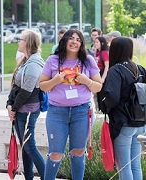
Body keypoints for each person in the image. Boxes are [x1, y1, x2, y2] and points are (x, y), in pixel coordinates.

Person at [39, 29, 102, 180]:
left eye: (78, 39)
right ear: (65, 40)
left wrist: (86, 80)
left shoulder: (88, 60)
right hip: (57, 112)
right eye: (71, 38)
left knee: (78, 151)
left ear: (82, 44)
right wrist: (56, 80)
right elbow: (42, 86)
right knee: (55, 152)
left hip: (81, 111)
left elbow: (98, 86)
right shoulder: (53, 60)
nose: (74, 42)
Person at [103, 37, 146, 180]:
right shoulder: (140, 69)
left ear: (114, 50)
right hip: (140, 123)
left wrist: (104, 106)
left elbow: (113, 97)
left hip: (123, 123)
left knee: (124, 166)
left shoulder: (116, 70)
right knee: (135, 165)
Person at [6, 29, 45, 180]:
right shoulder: (26, 61)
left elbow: (26, 91)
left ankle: (46, 176)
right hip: (20, 109)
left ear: (28, 43)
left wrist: (13, 108)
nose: (18, 41)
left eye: (20, 39)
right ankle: (28, 177)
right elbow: (15, 87)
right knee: (25, 145)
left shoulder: (34, 64)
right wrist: (10, 104)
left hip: (28, 110)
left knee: (29, 146)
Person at [94, 36, 109, 113]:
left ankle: (104, 109)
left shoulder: (104, 53)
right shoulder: (97, 53)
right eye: (95, 42)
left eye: (97, 42)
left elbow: (107, 66)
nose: (95, 44)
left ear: (102, 43)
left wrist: (103, 78)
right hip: (98, 72)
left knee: (102, 92)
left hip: (103, 73)